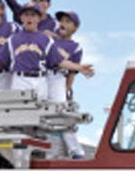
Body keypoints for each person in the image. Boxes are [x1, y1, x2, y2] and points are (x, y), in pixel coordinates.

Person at [0, 3, 94, 100]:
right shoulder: (13, 39)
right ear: (21, 17)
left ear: (39, 18)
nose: (29, 18)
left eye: (33, 15)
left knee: (40, 116)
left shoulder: (46, 39)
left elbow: (59, 61)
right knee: (19, 118)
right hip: (20, 79)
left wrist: (79, 67)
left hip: (40, 80)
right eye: (26, 14)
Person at [49, 10, 86, 159]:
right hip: (43, 77)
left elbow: (72, 72)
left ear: (75, 27)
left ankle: (76, 150)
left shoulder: (75, 47)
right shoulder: (50, 40)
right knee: (47, 116)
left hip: (59, 77)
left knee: (62, 113)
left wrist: (67, 89)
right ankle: (52, 151)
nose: (63, 24)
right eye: (61, 21)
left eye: (68, 21)